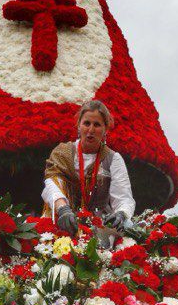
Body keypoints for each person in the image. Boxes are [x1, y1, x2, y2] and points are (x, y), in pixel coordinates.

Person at [42, 99, 135, 234]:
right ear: (78, 126)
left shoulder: (113, 158)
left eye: (97, 125)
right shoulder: (62, 152)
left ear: (105, 130)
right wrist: (63, 209)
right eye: (86, 123)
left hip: (99, 230)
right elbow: (52, 183)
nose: (91, 130)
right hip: (63, 224)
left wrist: (121, 214)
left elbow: (123, 197)